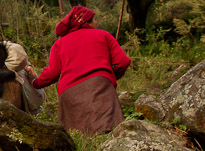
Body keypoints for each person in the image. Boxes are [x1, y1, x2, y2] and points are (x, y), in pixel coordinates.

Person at [30, 6, 131, 136]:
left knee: (79, 137)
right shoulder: (104, 35)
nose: (97, 23)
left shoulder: (59, 44)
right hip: (100, 87)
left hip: (70, 93)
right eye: (95, 20)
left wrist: (35, 83)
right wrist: (110, 77)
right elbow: (123, 61)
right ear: (86, 22)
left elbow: (52, 74)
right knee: (108, 133)